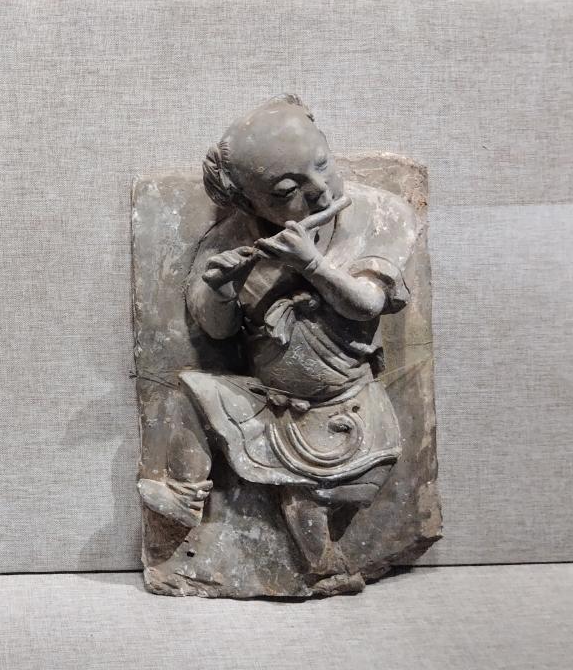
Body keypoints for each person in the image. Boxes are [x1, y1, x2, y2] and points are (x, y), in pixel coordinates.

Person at [139, 96, 419, 590]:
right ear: (249, 202)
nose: (318, 191)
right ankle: (183, 496)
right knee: (190, 394)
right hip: (269, 404)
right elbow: (217, 330)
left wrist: (311, 264)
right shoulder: (231, 239)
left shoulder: (378, 214)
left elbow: (368, 303)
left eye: (322, 165)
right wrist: (222, 289)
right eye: (287, 191)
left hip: (343, 410)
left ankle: (324, 566)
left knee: (304, 500)